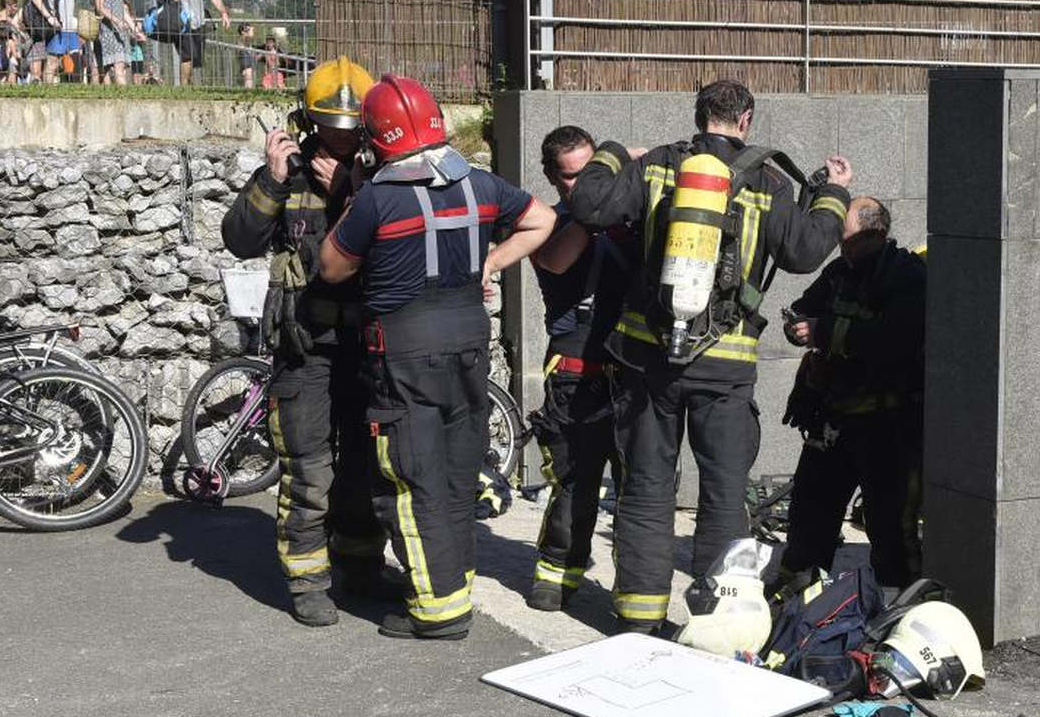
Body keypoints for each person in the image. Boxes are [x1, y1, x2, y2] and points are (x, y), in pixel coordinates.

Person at [569, 78, 853, 634]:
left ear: (698, 115)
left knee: (647, 486)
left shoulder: (658, 166)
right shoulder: (769, 180)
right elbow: (805, 250)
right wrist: (833, 193)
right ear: (746, 120)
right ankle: (716, 619)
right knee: (723, 493)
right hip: (725, 365)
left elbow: (588, 204)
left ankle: (637, 616)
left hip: (647, 361)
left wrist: (610, 152)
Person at [319, 74, 555, 640]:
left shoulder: (377, 197)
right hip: (469, 346)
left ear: (378, 141)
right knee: (454, 470)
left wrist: (348, 196)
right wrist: (491, 262)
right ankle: (454, 581)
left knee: (408, 475)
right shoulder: (480, 184)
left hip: (404, 353)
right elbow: (543, 220)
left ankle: (438, 608)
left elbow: (330, 267)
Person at [221, 56, 386, 627]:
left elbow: (388, 239)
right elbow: (240, 239)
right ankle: (308, 578)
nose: (341, 139)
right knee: (309, 468)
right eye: (331, 127)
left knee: (365, 465)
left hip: (366, 347)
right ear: (311, 120)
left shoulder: (378, 172)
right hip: (304, 346)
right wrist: (270, 176)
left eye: (351, 129)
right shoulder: (285, 172)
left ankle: (362, 568)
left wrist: (348, 189)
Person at [778, 197, 926, 590]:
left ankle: (899, 607)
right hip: (832, 417)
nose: (840, 246)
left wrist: (824, 332)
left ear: (874, 233)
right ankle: (800, 598)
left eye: (845, 237)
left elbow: (896, 340)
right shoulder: (838, 272)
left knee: (890, 524)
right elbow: (801, 309)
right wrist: (797, 328)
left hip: (887, 424)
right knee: (809, 512)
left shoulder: (906, 275)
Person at [524, 126, 634, 611]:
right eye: (573, 177)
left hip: (631, 372)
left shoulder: (629, 218)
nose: (583, 185)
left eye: (592, 171)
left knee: (639, 486)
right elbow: (555, 261)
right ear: (552, 177)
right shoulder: (551, 221)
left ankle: (636, 585)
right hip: (575, 373)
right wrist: (592, 209)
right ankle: (558, 570)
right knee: (575, 482)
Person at [94, 0, 145, 86]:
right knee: (116, 66)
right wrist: (116, 21)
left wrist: (135, 30)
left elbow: (122, 10)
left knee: (118, 66)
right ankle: (124, 97)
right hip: (108, 31)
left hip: (120, 30)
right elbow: (100, 7)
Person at [31, 0, 79, 84]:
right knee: (53, 61)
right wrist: (49, 17)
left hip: (71, 28)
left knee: (74, 62)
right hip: (58, 27)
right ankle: (48, 91)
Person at [236, 23, 256, 88]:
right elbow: (242, 40)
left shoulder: (250, 45)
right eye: (248, 30)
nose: (251, 31)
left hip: (251, 70)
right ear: (243, 32)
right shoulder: (240, 43)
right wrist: (247, 31)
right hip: (245, 71)